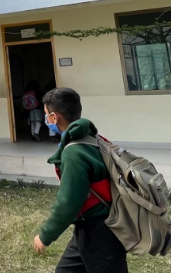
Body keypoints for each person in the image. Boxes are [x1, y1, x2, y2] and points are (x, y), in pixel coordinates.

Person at [32, 88, 126, 273]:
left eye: (46, 116)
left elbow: (69, 202)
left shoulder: (74, 153)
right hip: (90, 227)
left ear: (55, 117)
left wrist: (45, 236)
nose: (46, 121)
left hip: (101, 230)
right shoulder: (91, 138)